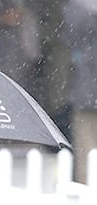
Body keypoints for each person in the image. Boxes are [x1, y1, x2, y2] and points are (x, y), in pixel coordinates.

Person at [63, 0, 97, 184]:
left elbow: (70, 37)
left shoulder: (81, 7)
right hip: (87, 92)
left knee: (87, 152)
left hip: (87, 92)